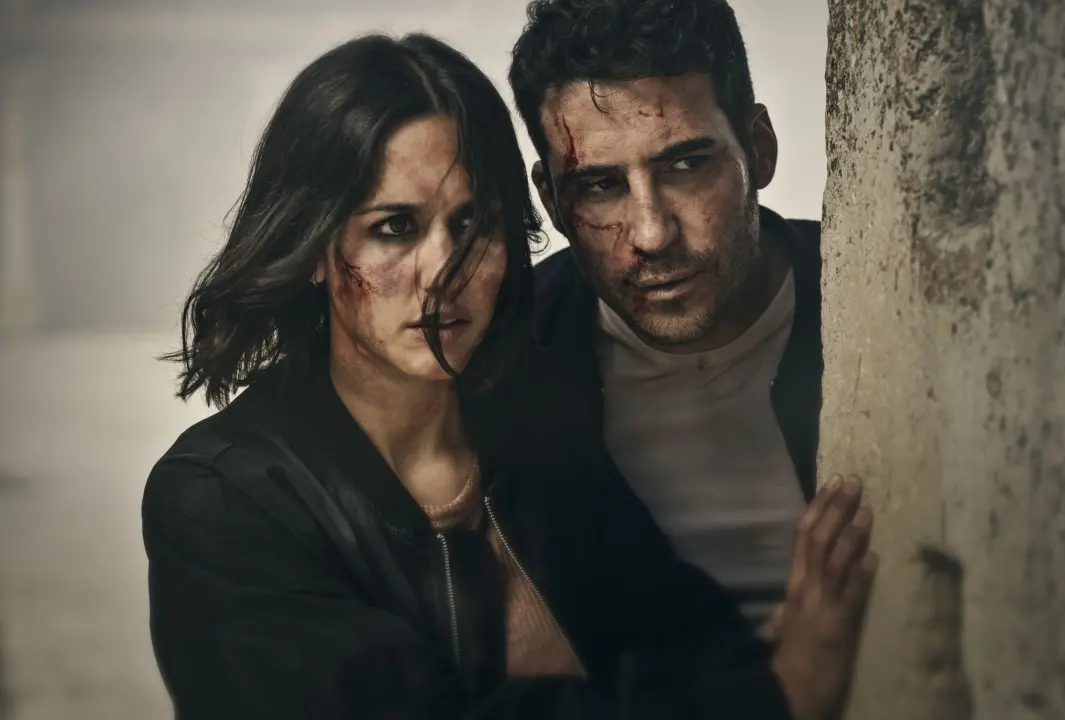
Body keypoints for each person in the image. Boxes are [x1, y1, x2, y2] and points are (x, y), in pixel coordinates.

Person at [143, 32, 872, 720]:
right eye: (394, 228)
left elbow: (687, 638)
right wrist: (775, 700)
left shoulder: (539, 425)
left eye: (472, 224)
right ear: (311, 246)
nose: (444, 273)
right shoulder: (223, 499)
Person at [509, 0, 873, 704]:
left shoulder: (874, 296)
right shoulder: (507, 363)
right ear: (551, 200)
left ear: (759, 149)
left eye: (685, 165)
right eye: (600, 185)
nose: (651, 233)